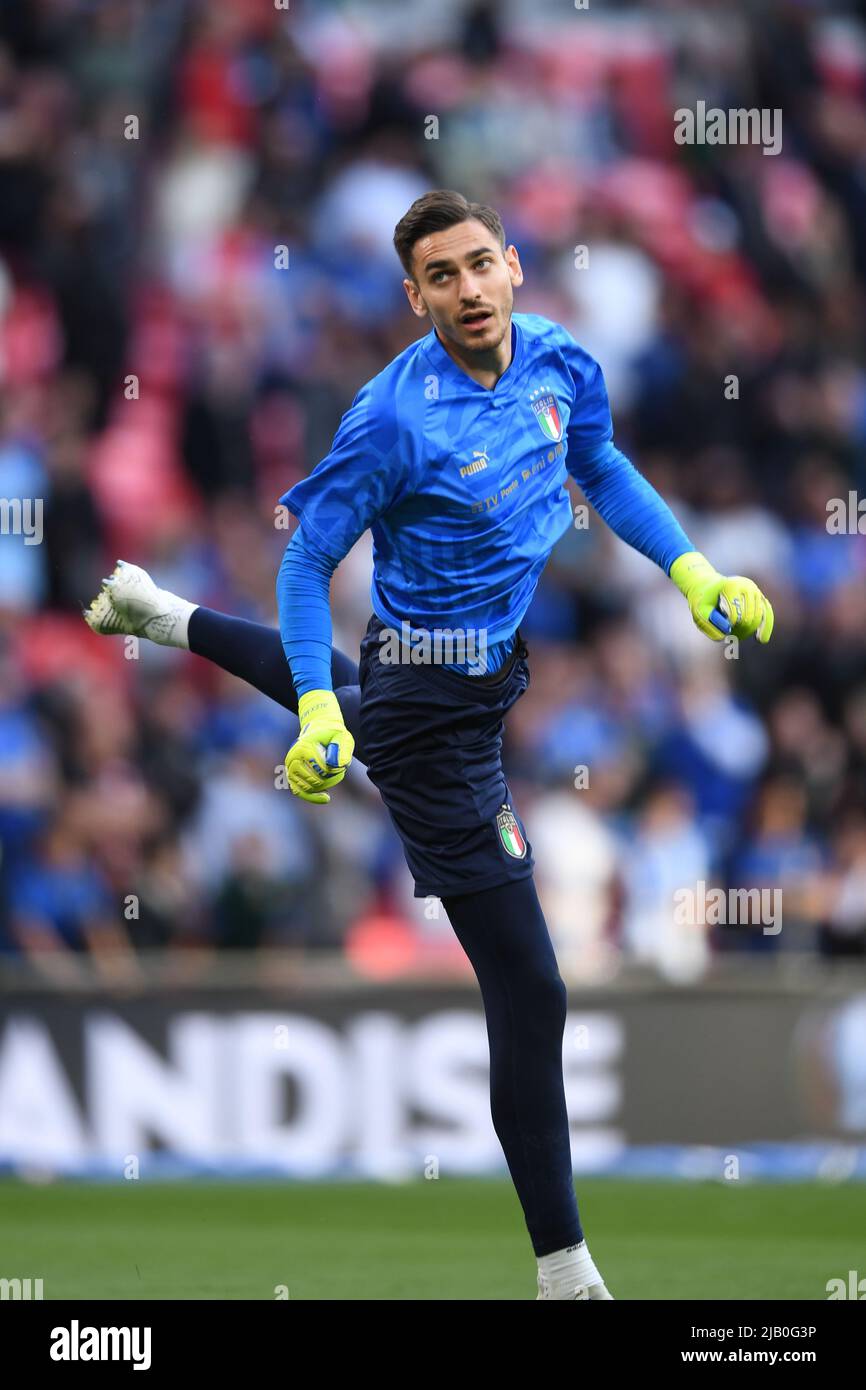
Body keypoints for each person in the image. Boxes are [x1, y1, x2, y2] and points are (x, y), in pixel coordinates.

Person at [85, 189, 774, 1300]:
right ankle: (565, 1270)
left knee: (356, 709)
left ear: (512, 264)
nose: (464, 290)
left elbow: (598, 466)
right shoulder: (392, 417)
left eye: (476, 265)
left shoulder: (558, 362)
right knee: (529, 984)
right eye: (438, 278)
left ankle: (161, 618)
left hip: (490, 675)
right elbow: (308, 564)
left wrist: (692, 572)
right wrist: (314, 711)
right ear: (414, 298)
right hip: (427, 703)